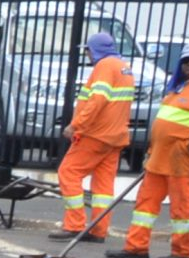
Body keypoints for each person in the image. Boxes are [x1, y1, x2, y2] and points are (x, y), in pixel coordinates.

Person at [111, 40, 189, 258]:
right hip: (160, 157)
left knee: (183, 207)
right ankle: (136, 247)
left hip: (183, 158)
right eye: (186, 61)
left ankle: (183, 252)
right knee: (145, 205)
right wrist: (151, 150)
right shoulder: (180, 86)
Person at [54, 31, 134, 241]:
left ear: (95, 50)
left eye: (88, 50)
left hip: (95, 134)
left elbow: (97, 100)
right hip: (115, 137)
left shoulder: (105, 66)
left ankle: (74, 225)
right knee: (103, 187)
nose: (88, 55)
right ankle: (99, 230)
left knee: (68, 172)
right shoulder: (123, 67)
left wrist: (76, 125)